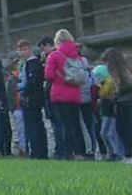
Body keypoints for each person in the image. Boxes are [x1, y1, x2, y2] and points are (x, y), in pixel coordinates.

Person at [44, 29, 88, 159]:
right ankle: (80, 152)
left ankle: (67, 153)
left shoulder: (55, 55)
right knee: (76, 123)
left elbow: (49, 75)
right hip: (75, 94)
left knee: (64, 124)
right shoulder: (77, 56)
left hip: (59, 94)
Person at [104, 48, 132, 164]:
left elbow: (126, 84)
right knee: (130, 130)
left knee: (131, 130)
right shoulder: (129, 65)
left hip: (127, 102)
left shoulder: (121, 69)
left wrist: (115, 95)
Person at [19, 39, 48, 159]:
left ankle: (38, 151)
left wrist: (24, 93)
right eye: (21, 50)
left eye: (25, 49)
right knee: (34, 125)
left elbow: (33, 81)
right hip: (29, 97)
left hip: (33, 98)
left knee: (34, 125)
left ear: (30, 50)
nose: (23, 52)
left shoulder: (34, 63)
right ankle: (37, 150)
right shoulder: (24, 64)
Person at [94, 64, 125, 161]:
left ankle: (116, 153)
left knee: (110, 133)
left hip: (110, 111)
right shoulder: (103, 83)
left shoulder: (108, 82)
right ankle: (111, 152)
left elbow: (105, 94)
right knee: (104, 133)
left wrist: (99, 89)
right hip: (105, 111)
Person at [7, 58, 26, 156]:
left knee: (25, 129)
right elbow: (10, 94)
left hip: (25, 107)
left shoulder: (23, 76)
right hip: (17, 108)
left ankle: (26, 147)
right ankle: (22, 148)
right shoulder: (12, 79)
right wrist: (13, 108)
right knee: (20, 130)